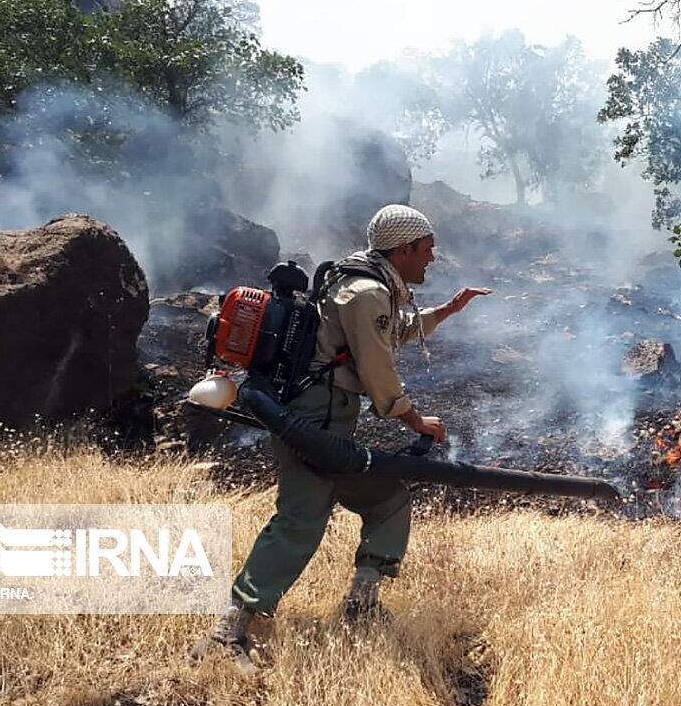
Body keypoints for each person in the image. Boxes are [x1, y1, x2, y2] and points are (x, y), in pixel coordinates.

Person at [192, 204, 491, 674]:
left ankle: (362, 605)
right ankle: (229, 630)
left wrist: (449, 310)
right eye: (427, 250)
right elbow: (377, 367)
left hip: (329, 415)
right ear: (404, 248)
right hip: (315, 417)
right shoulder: (366, 292)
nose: (432, 258)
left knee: (387, 500)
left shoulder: (367, 285)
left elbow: (391, 333)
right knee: (301, 519)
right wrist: (414, 420)